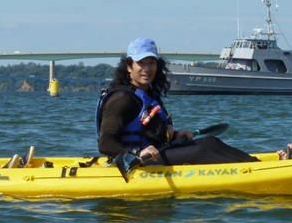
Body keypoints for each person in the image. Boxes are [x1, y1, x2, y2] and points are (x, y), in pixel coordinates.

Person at [96, 37, 260, 165]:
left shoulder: (148, 94)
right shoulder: (121, 99)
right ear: (129, 67)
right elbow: (105, 144)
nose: (147, 69)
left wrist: (174, 136)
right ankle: (252, 174)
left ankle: (255, 164)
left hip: (156, 154)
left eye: (151, 63)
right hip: (134, 161)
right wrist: (136, 153)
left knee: (209, 142)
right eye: (141, 63)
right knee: (199, 152)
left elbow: (148, 131)